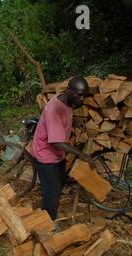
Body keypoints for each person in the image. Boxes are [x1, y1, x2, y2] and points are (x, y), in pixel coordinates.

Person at [30, 76, 95, 225]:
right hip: (45, 154)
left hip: (58, 155)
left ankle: (48, 213)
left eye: (83, 95)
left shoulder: (68, 100)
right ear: (69, 91)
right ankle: (46, 222)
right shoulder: (54, 110)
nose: (81, 98)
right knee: (53, 190)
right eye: (78, 94)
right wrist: (83, 155)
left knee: (58, 185)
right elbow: (57, 142)